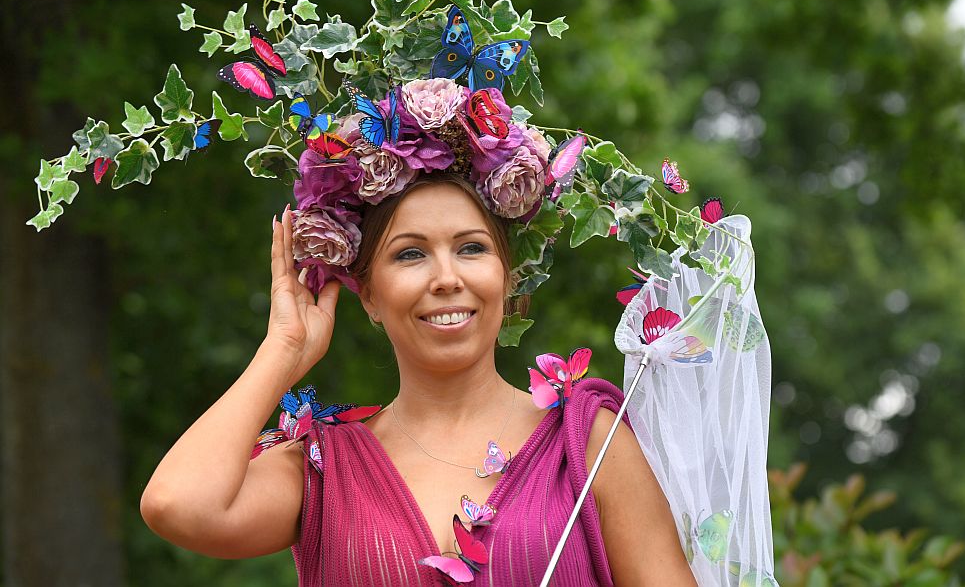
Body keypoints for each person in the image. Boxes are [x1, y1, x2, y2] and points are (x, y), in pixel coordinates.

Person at [140, 173, 698, 586]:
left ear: (508, 279)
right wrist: (283, 351)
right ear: (371, 296)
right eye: (410, 255)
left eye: (472, 248)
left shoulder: (588, 444)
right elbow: (178, 505)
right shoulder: (323, 467)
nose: (447, 278)